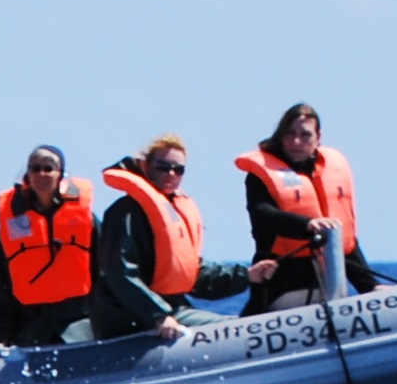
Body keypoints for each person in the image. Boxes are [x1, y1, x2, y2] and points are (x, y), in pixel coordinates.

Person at [90, 135, 269, 341]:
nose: (171, 174)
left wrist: (247, 275)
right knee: (235, 331)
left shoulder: (176, 210)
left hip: (171, 308)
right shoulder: (124, 213)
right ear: (146, 166)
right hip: (131, 318)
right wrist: (158, 315)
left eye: (178, 169)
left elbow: (194, 275)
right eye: (163, 167)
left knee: (241, 325)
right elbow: (120, 273)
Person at [236, 102, 380, 315]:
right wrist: (307, 224)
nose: (296, 141)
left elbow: (344, 241)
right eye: (290, 133)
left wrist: (370, 285)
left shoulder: (329, 172)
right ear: (281, 135)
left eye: (305, 135)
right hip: (281, 284)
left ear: (318, 138)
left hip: (329, 283)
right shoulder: (260, 176)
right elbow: (263, 215)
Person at [0, 146, 96, 347]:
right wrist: (2, 330)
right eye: (35, 168)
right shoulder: (14, 225)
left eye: (48, 168)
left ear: (61, 176)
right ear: (27, 175)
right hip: (31, 328)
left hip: (79, 326)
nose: (42, 174)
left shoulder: (86, 222)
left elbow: (106, 272)